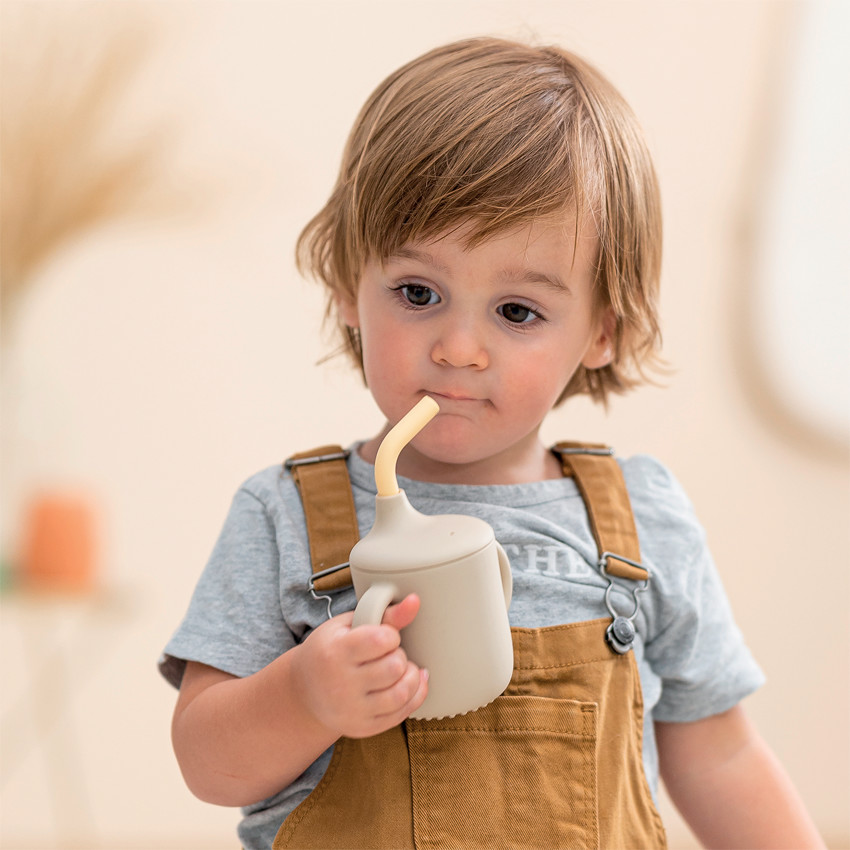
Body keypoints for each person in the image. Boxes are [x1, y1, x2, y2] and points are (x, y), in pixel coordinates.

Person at [160, 37, 824, 849]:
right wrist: (304, 697)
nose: (459, 349)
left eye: (517, 312)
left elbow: (720, 757)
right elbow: (206, 763)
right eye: (418, 293)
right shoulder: (284, 515)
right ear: (345, 288)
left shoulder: (639, 519)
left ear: (602, 332)